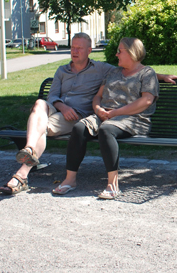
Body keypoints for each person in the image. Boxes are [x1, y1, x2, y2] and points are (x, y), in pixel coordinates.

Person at [0, 33, 177, 195]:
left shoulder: (121, 71)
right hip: (80, 112)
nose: (74, 51)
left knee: (96, 129)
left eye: (79, 48)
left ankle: (111, 184)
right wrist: (84, 108)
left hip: (109, 117)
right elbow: (85, 96)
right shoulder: (92, 71)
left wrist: (162, 77)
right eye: (72, 47)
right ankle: (46, 162)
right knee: (59, 116)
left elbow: (142, 86)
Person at [52, 37, 157, 199]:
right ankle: (70, 179)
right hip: (106, 115)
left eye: (119, 51)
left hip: (134, 118)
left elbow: (146, 101)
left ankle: (112, 184)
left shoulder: (147, 73)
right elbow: (98, 96)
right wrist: (98, 109)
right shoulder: (114, 72)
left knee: (106, 129)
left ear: (131, 52)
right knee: (80, 128)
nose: (116, 55)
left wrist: (115, 113)